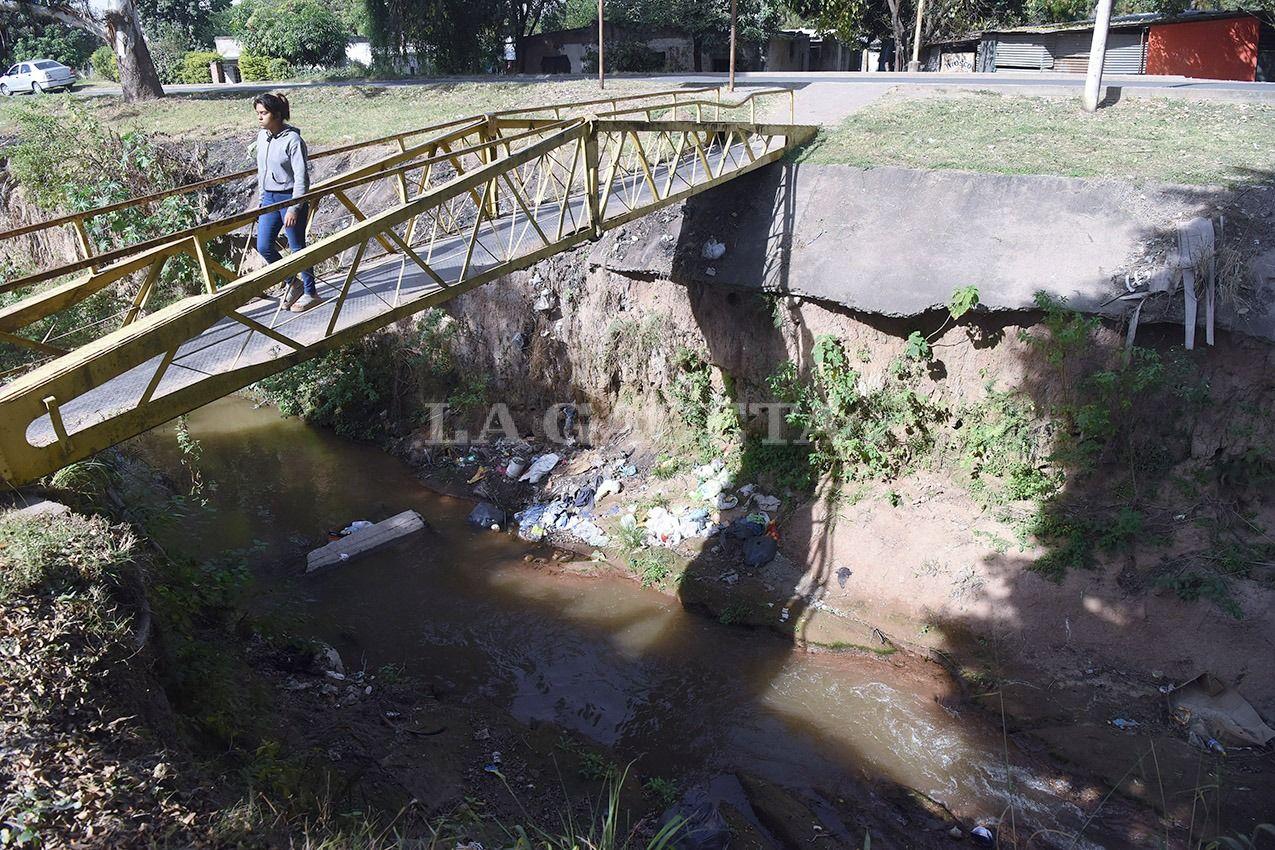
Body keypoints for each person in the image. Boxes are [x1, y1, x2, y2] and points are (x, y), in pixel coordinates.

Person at [253, 92, 320, 312]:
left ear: (277, 114)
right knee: (263, 245)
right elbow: (262, 171)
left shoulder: (293, 140)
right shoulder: (262, 137)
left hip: (290, 197)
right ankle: (293, 282)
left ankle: (311, 292)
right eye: (258, 113)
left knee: (297, 248)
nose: (259, 117)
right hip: (270, 199)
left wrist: (295, 207)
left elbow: (302, 177)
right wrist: (262, 199)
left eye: (263, 113)